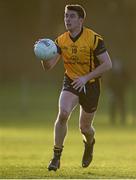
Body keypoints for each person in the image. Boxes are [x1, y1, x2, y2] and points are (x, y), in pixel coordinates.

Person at [39, 4, 112, 171]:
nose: (67, 19)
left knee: (85, 128)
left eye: (72, 16)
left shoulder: (93, 38)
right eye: (66, 16)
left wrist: (86, 78)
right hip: (71, 82)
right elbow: (48, 66)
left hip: (91, 86)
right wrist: (43, 54)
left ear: (81, 20)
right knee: (63, 113)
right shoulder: (61, 40)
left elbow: (108, 64)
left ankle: (90, 143)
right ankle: (56, 157)